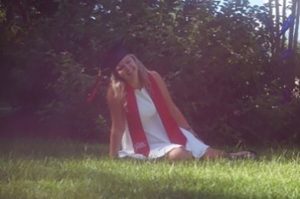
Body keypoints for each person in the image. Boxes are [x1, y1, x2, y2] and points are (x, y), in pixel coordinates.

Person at [102, 43, 256, 161]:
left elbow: (171, 108)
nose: (128, 68)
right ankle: (180, 156)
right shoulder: (116, 93)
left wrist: (190, 131)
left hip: (168, 130)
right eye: (121, 67)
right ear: (117, 74)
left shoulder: (153, 77)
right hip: (145, 142)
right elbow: (118, 127)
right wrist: (112, 157)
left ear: (134, 59)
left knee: (205, 152)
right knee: (179, 155)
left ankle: (232, 156)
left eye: (129, 62)